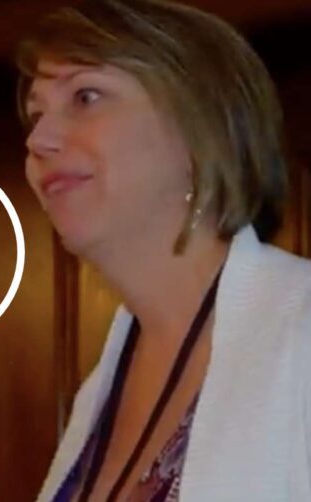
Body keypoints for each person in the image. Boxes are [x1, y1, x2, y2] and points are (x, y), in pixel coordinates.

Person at [16, 0, 311, 500]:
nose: (38, 140)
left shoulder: (299, 330)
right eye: (35, 115)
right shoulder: (97, 394)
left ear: (199, 129)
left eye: (86, 97)